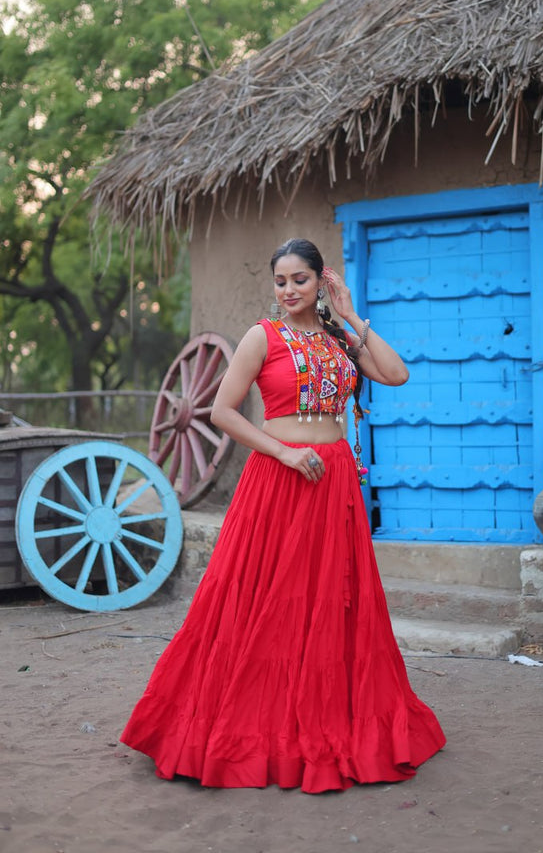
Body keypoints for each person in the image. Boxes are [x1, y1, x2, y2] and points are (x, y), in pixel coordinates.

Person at [120, 238, 446, 792]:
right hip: (279, 479)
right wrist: (285, 453)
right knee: (266, 601)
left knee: (331, 600)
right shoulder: (261, 337)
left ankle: (328, 720)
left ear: (322, 280)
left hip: (334, 481)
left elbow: (396, 375)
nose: (290, 290)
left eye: (301, 279)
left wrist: (349, 313)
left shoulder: (342, 338)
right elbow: (222, 410)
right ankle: (249, 730)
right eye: (281, 281)